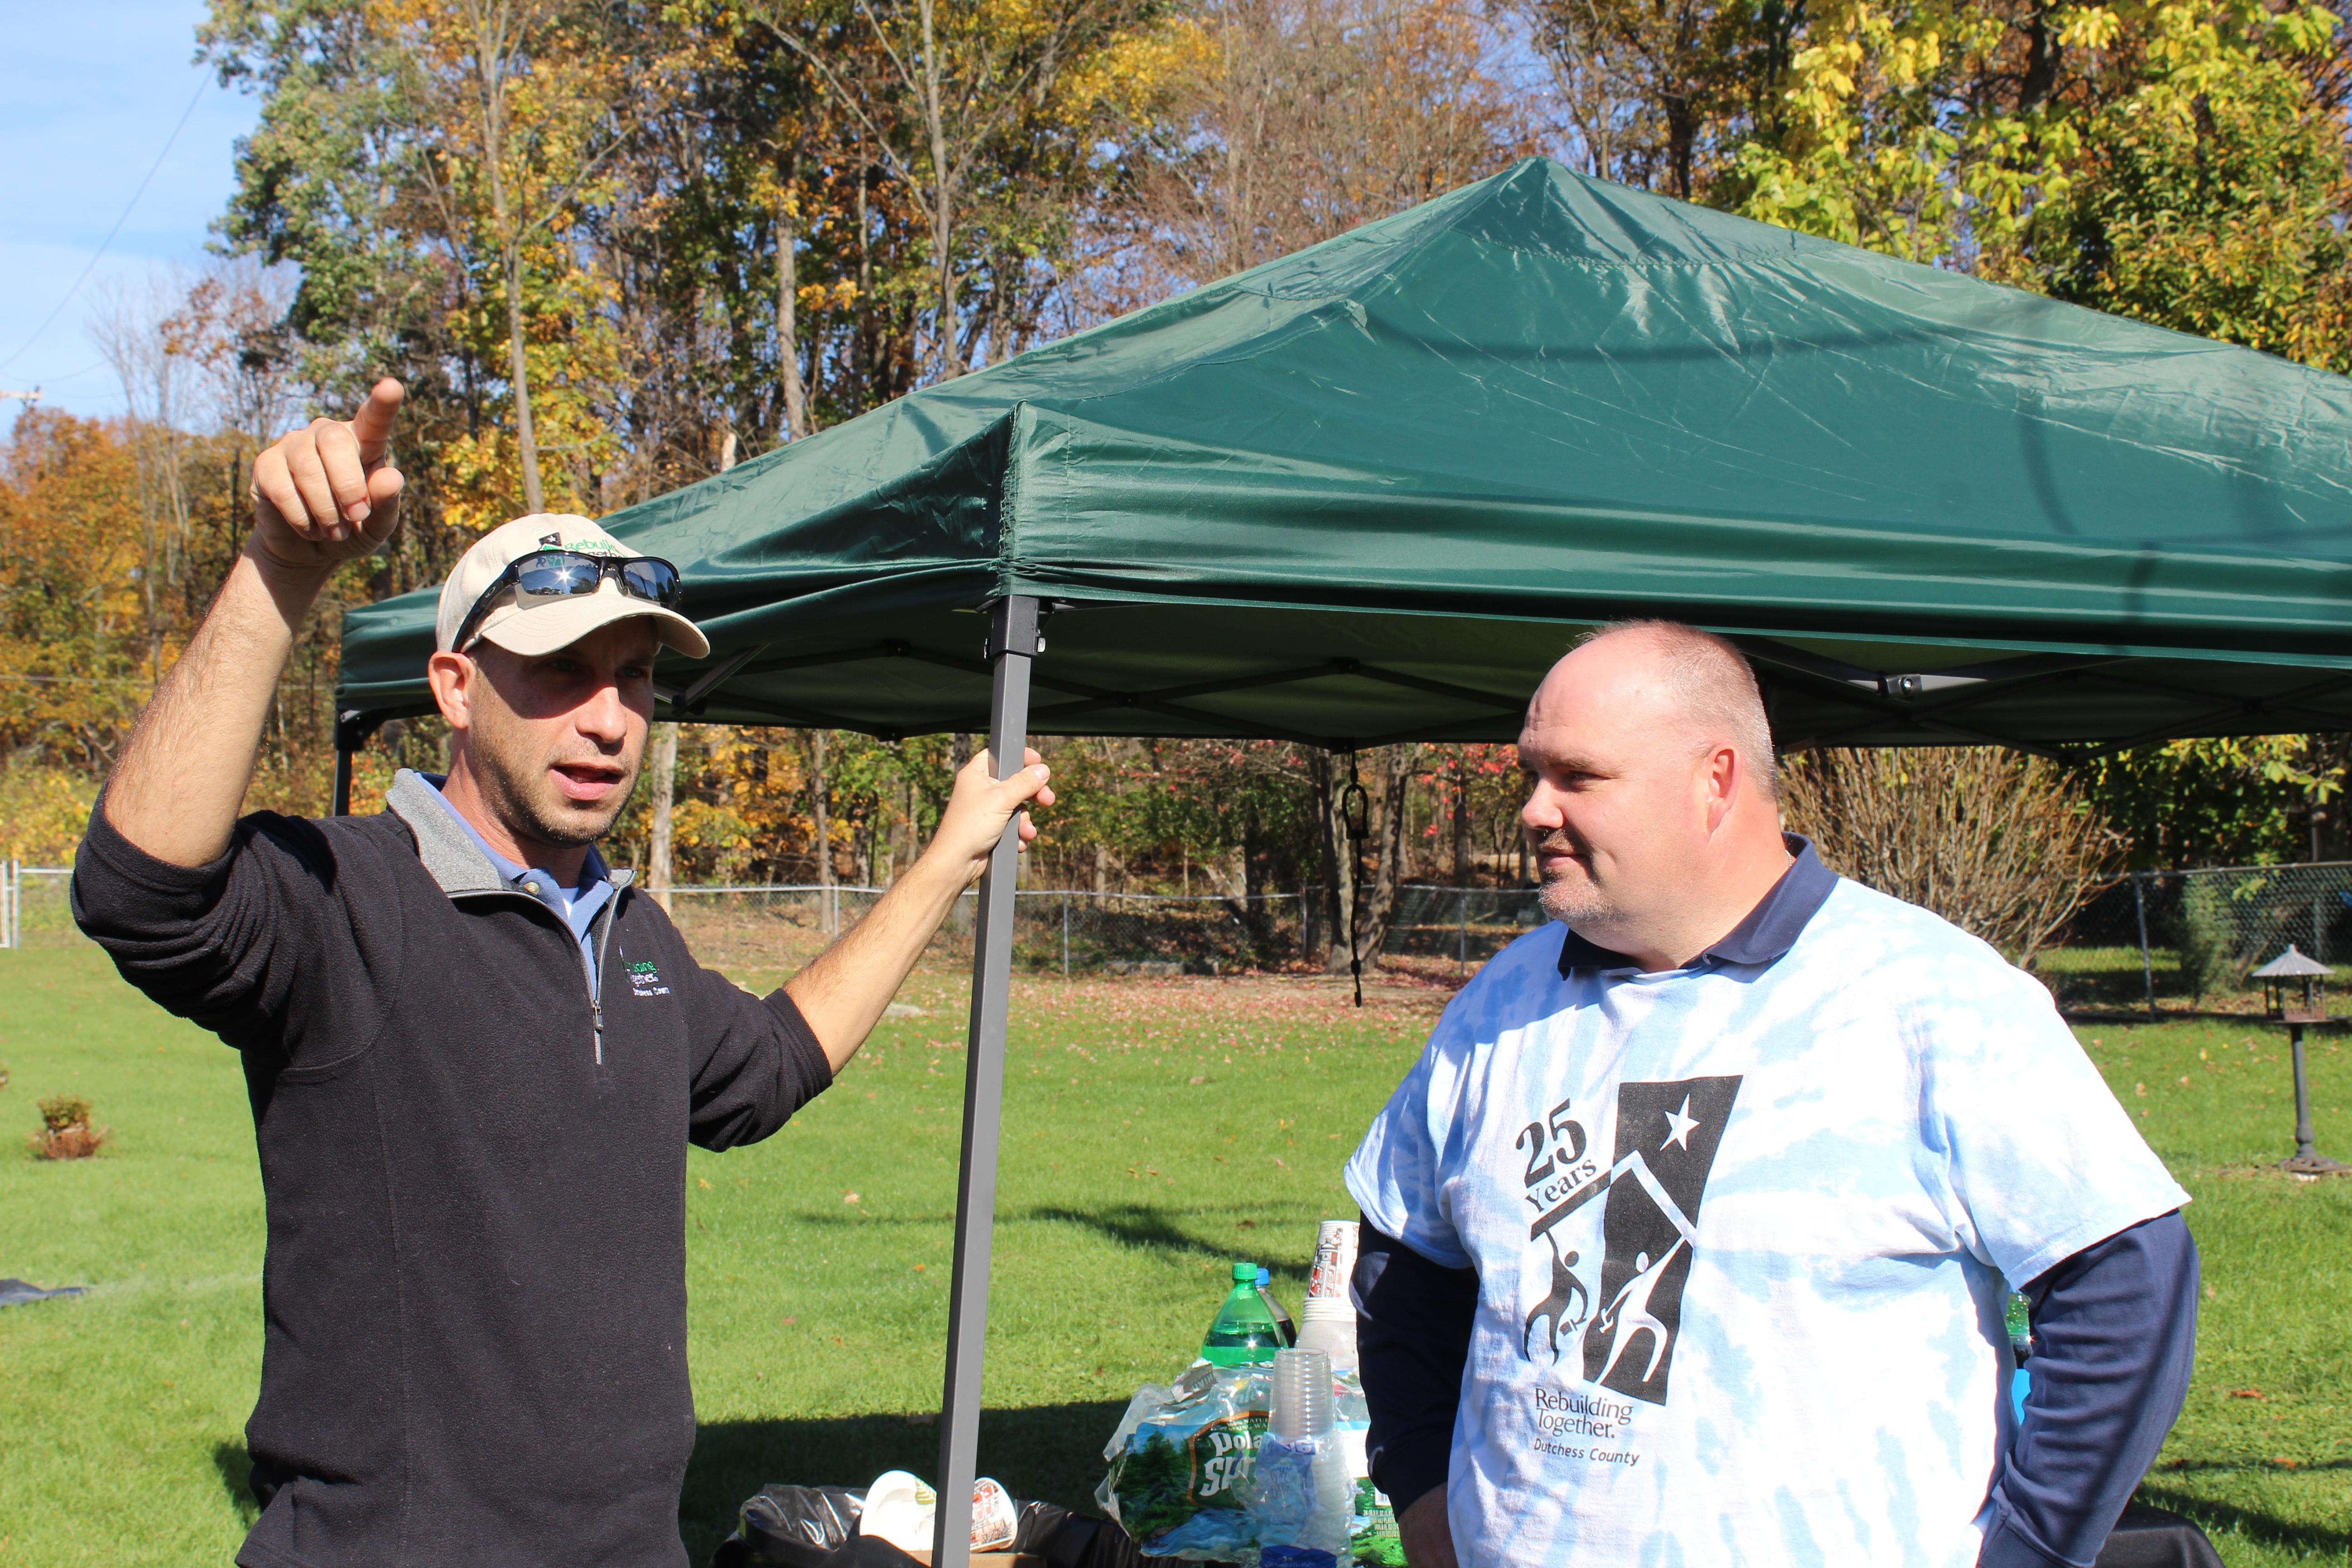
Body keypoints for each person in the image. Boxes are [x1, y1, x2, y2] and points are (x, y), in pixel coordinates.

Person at [71, 382, 1054, 1568]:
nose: (608, 720)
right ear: (453, 687)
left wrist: (947, 861)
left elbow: (766, 1071)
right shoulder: (346, 899)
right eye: (559, 671)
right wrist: (282, 564)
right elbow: (141, 891)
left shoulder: (629, 936)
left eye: (633, 677)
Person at [1344, 621, 2197, 1568]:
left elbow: (2126, 1280)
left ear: (1716, 779)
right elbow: (1404, 1260)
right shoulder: (1500, 1004)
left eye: (1579, 776)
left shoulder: (1932, 999)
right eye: (1532, 775)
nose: (1535, 810)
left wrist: (2033, 1552)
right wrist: (1421, 1491)